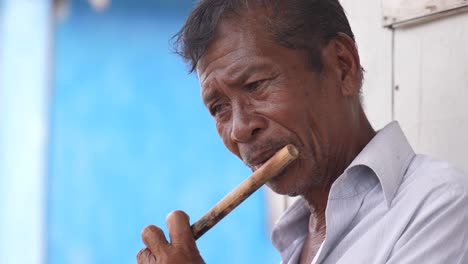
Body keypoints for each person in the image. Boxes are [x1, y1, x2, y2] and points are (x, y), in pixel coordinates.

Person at [137, 0, 468, 263]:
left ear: (342, 66)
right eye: (218, 108)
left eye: (255, 85)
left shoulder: (439, 207)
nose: (239, 129)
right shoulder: (296, 237)